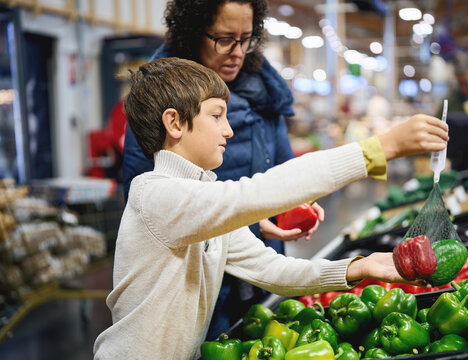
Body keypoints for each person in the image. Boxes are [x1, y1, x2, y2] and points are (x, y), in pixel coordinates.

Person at [93, 57, 449, 359]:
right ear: (174, 123)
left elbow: (273, 271)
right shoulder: (155, 197)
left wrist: (358, 268)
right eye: (217, 116)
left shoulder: (200, 198)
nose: (228, 130)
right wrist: (377, 149)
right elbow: (257, 193)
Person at [121, 0, 325, 338]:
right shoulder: (160, 96)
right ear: (192, 32)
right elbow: (146, 197)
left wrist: (296, 200)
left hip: (259, 259)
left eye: (246, 39)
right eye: (224, 39)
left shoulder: (265, 92)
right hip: (197, 270)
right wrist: (243, 220)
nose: (237, 52)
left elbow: (284, 167)